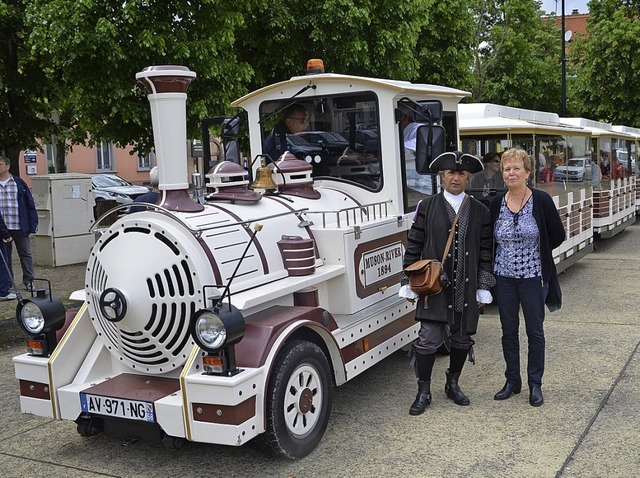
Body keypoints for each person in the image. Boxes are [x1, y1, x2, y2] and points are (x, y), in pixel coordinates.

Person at [401, 151, 496, 415]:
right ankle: (423, 391)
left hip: (466, 288)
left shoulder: (480, 210)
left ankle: (452, 383)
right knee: (428, 340)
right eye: (451, 173)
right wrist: (407, 280)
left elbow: (486, 250)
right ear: (443, 176)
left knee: (462, 339)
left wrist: (483, 285)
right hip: (434, 288)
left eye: (462, 173)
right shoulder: (427, 206)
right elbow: (414, 245)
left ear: (468, 178)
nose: (456, 177)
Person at [489, 148, 565, 407]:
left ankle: (535, 384)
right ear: (502, 174)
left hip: (533, 277)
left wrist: (533, 256)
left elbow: (557, 235)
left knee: (535, 332)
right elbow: (490, 240)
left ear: (528, 172)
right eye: (506, 168)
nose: (511, 172)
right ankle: (512, 380)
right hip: (504, 278)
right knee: (508, 331)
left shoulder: (542, 201)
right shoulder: (496, 203)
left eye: (516, 168)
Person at [0, 155, 38, 291]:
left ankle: (29, 281)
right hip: (3, 227)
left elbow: (29, 203)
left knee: (25, 254)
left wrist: (33, 223)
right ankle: (8, 283)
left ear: (7, 166)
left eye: (0, 165)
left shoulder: (18, 183)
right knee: (5, 257)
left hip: (19, 225)